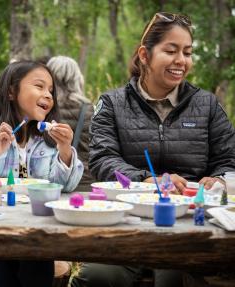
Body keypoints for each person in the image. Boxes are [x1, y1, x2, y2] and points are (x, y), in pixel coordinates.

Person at [71, 12, 235, 287]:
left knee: (174, 278)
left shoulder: (207, 105)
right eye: (171, 50)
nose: (181, 60)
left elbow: (228, 160)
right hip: (126, 223)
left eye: (187, 52)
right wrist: (146, 179)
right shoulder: (112, 104)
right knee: (97, 277)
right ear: (144, 55)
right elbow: (103, 160)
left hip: (189, 227)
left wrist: (218, 180)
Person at [0, 60, 84, 287]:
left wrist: (65, 152)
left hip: (40, 227)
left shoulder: (48, 139)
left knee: (37, 277)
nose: (48, 95)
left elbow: (65, 187)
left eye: (51, 90)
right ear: (11, 91)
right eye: (39, 86)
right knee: (4, 280)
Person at [47, 56, 94, 191]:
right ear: (77, 79)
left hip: (52, 184)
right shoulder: (90, 109)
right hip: (85, 183)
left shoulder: (44, 110)